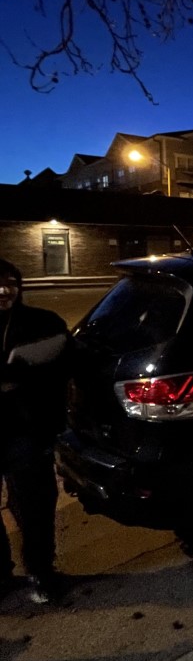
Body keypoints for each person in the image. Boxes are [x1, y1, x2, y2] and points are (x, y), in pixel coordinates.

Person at [0, 258, 71, 604]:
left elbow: (65, 366)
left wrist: (23, 375)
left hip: (26, 431)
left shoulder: (41, 323)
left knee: (34, 506)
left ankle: (42, 573)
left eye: (11, 282)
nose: (4, 290)